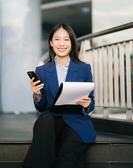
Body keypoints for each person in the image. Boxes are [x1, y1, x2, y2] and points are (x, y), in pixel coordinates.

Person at [22, 23, 96, 168]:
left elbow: (91, 101)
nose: (62, 43)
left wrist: (87, 105)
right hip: (51, 121)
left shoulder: (83, 69)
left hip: (75, 120)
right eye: (57, 39)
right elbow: (41, 106)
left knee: (66, 158)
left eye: (66, 39)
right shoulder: (42, 70)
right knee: (45, 120)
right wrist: (37, 94)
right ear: (51, 42)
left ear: (72, 43)